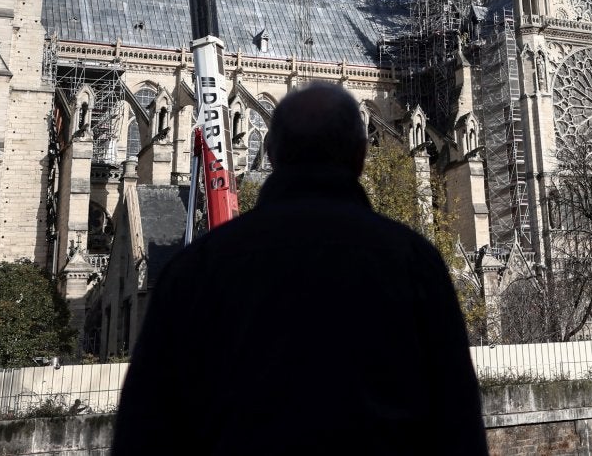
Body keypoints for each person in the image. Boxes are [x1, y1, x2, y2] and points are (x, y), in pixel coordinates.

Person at [111, 82, 488, 455]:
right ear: (361, 155)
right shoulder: (415, 263)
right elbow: (458, 427)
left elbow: (143, 432)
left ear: (271, 153)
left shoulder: (192, 270)